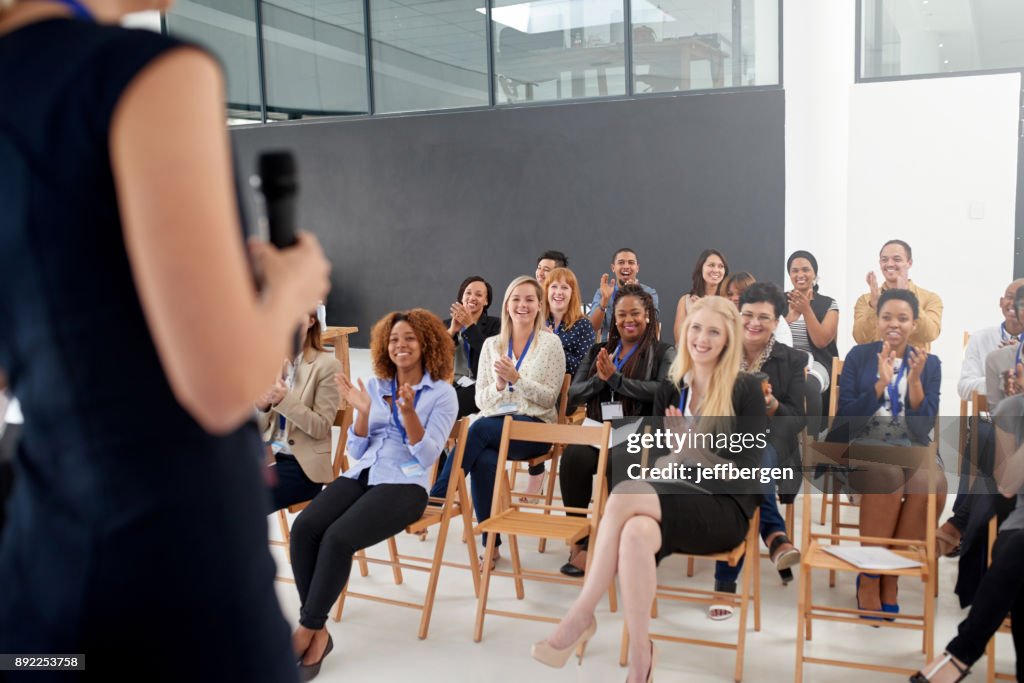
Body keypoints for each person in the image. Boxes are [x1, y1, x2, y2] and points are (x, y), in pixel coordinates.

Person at [0, 2, 331, 679]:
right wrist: (292, 289)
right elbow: (221, 386)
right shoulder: (148, 75)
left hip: (42, 569)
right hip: (178, 570)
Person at [532, 296, 767, 683]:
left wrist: (696, 453)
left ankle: (581, 613)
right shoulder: (674, 386)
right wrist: (677, 454)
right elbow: (658, 461)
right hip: (673, 494)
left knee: (623, 493)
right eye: (695, 328)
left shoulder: (745, 390)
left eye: (713, 331)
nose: (701, 338)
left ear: (728, 339)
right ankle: (642, 660)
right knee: (637, 533)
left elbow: (748, 476)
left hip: (724, 507)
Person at [290, 310, 457, 679]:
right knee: (304, 528)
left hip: (406, 484)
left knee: (337, 538)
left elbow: (430, 456)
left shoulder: (443, 393)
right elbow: (357, 451)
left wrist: (410, 413)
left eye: (410, 338)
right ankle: (318, 630)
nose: (401, 345)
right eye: (395, 338)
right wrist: (362, 413)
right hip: (363, 473)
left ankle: (306, 631)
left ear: (426, 343)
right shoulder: (377, 386)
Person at [430, 276, 566, 570]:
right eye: (516, 299)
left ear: (540, 305)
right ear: (506, 304)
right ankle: (491, 545)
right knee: (484, 457)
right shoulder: (493, 344)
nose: (523, 305)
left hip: (534, 428)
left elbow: (548, 398)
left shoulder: (551, 343)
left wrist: (517, 379)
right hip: (496, 427)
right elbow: (481, 399)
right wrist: (501, 385)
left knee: (477, 429)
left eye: (530, 299)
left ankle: (438, 497)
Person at [831, 289, 944, 620]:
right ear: (877, 321)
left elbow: (922, 431)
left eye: (902, 318)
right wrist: (880, 385)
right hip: (862, 443)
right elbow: (844, 423)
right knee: (887, 476)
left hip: (910, 444)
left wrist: (916, 382)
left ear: (914, 323)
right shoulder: (859, 357)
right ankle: (869, 575)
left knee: (930, 483)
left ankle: (890, 574)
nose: (894, 324)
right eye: (887, 317)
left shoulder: (929, 363)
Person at [557, 284, 675, 577]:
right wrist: (602, 379)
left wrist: (618, 380)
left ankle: (615, 542)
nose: (628, 319)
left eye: (635, 313)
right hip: (597, 430)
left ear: (648, 316)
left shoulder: (663, 351)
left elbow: (664, 392)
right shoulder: (600, 350)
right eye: (621, 314)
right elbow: (574, 394)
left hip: (640, 433)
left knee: (617, 461)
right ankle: (581, 541)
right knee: (573, 458)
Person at [911, 393, 1024, 683]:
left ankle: (960, 654)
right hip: (1020, 523)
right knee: (1014, 549)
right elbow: (1008, 485)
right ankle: (961, 654)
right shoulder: (1013, 408)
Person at [709, 283, 806, 618]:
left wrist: (773, 404)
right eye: (747, 314)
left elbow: (797, 420)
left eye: (763, 317)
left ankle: (725, 585)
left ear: (777, 321)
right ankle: (776, 536)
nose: (753, 322)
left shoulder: (793, 360)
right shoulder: (719, 351)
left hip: (773, 441)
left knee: (753, 456)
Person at [940, 280, 1024, 563]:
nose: (1016, 307)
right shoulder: (982, 338)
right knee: (983, 434)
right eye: (1011, 299)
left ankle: (961, 523)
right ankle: (967, 527)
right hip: (992, 422)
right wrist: (997, 375)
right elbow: (964, 386)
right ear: (1002, 303)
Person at [257, 312, 342, 512]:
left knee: (241, 497)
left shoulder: (327, 365)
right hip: (268, 459)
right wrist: (263, 408)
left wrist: (283, 400)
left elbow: (321, 427)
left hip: (301, 468)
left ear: (311, 321)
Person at [853, 239, 943, 351]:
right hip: (875, 364)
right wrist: (874, 306)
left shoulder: (931, 298)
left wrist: (907, 298)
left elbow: (930, 334)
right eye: (884, 260)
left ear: (909, 263)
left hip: (914, 364)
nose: (890, 264)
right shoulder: (866, 300)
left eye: (897, 259)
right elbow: (860, 338)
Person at [445, 275, 501, 418]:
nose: (472, 297)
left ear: (486, 301)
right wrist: (452, 332)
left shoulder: (496, 325)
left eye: (479, 294)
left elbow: (491, 356)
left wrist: (470, 326)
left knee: (446, 406)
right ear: (461, 297)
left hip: (480, 386)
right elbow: (431, 355)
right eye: (468, 293)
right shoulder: (445, 325)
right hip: (449, 384)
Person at [589, 248, 660, 342]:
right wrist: (604, 301)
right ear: (613, 267)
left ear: (637, 268)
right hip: (610, 347)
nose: (626, 266)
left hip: (640, 346)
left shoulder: (649, 292)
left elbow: (652, 325)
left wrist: (637, 294)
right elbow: (593, 327)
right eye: (621, 262)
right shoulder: (603, 292)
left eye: (631, 262)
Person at [544, 267, 595, 376]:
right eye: (554, 286)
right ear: (546, 290)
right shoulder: (536, 322)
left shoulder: (584, 325)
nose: (558, 292)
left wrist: (555, 344)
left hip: (569, 390)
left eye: (564, 287)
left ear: (572, 293)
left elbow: (584, 370)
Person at [723, 271, 795, 347]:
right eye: (730, 294)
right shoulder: (723, 319)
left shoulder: (778, 320)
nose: (734, 298)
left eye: (740, 294)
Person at [674, 248, 728, 344]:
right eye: (711, 265)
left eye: (721, 266)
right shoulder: (685, 301)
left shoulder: (728, 303)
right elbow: (679, 340)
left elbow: (729, 339)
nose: (716, 270)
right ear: (701, 268)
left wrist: (706, 307)